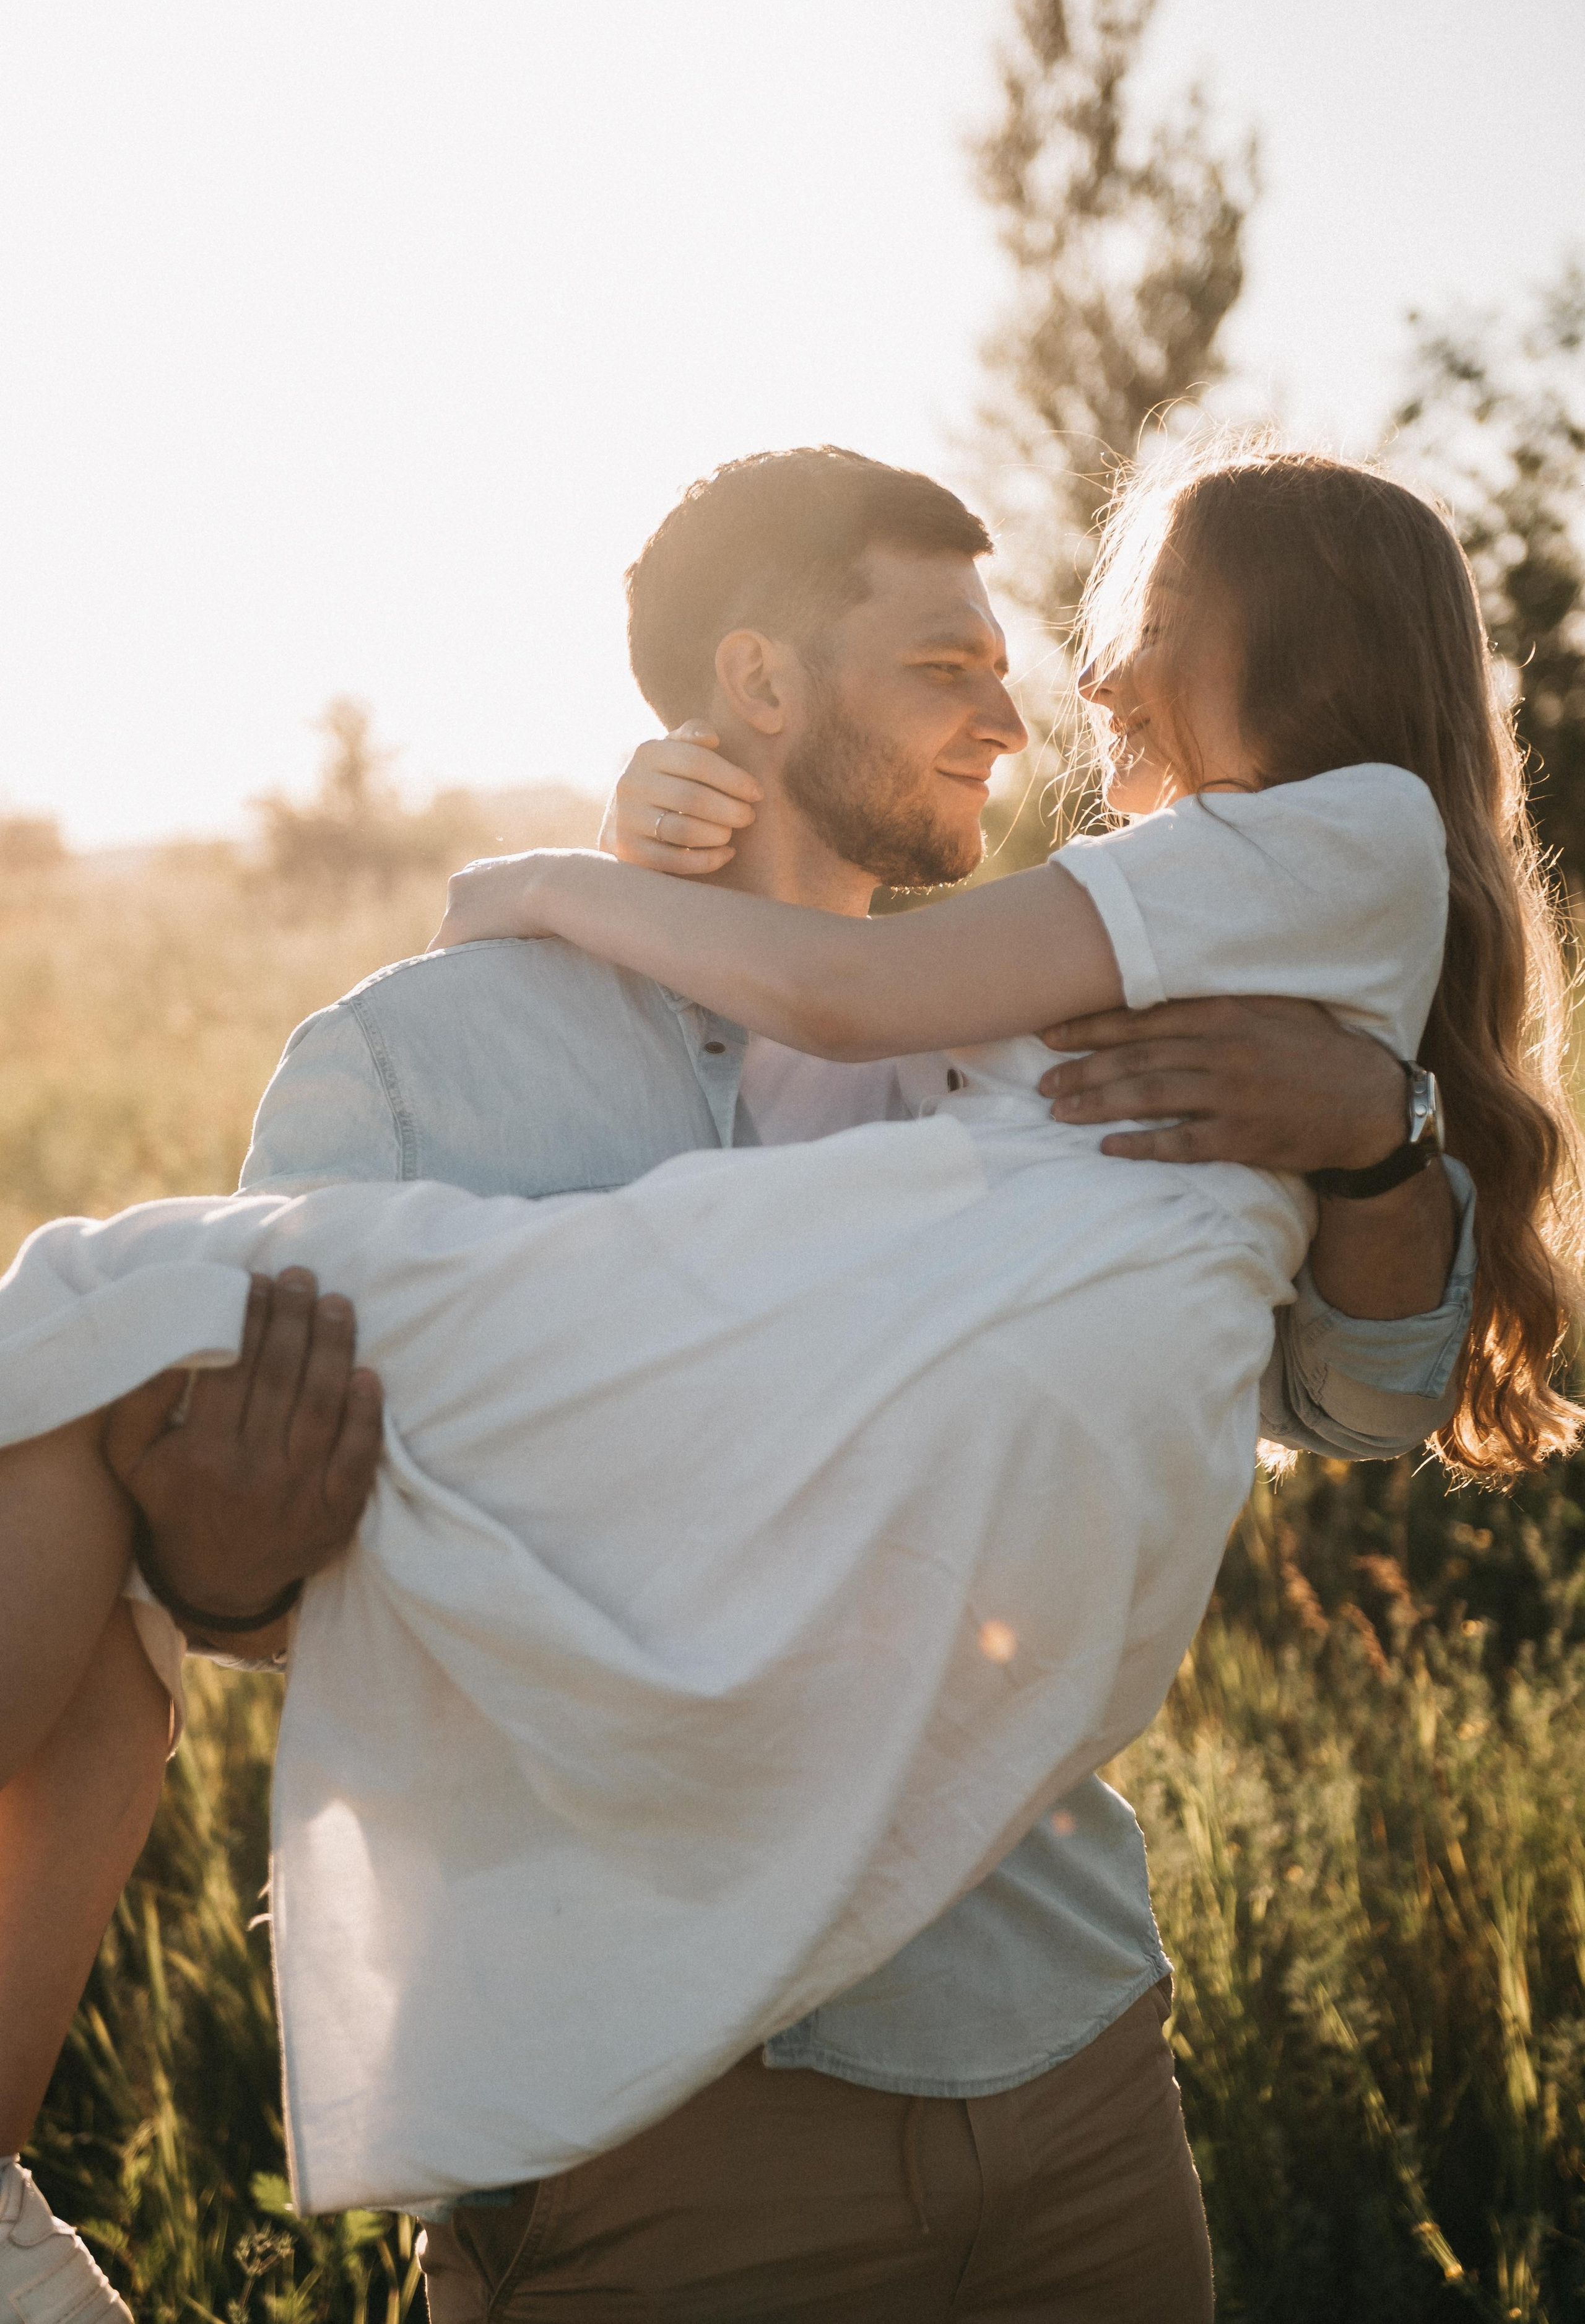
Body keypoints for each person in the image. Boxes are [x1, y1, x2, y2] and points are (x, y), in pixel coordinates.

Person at [0, 445, 1520, 2324]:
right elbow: (301, 1572)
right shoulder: (417, 1062)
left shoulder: (1041, 1034)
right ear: (764, 689)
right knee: (87, 1324)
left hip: (1067, 2061)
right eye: (944, 664)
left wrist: (1381, 1144)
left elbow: (1357, 1406)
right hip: (656, 2131)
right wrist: (235, 1573)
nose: (1020, 707)